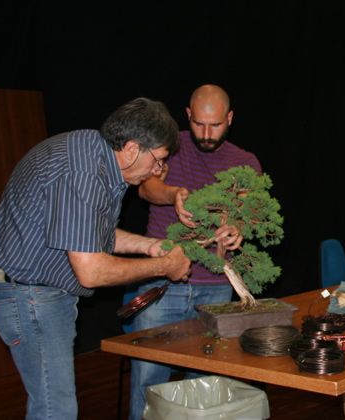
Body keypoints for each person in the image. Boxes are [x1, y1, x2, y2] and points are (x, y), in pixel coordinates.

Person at [0, 97, 192, 420]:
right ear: (132, 149)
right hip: (29, 296)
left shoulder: (96, 157)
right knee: (56, 411)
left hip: (35, 294)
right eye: (159, 160)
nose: (158, 171)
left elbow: (90, 234)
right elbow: (91, 270)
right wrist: (166, 266)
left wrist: (150, 246)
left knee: (54, 407)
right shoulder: (83, 173)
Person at [128, 84, 261, 420]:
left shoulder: (245, 162)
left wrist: (237, 228)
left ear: (230, 118)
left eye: (214, 125)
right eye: (198, 123)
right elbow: (146, 187)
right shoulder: (168, 147)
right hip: (163, 282)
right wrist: (173, 194)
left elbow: (249, 211)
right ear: (187, 115)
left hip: (215, 286)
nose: (205, 133)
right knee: (149, 379)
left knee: (204, 382)